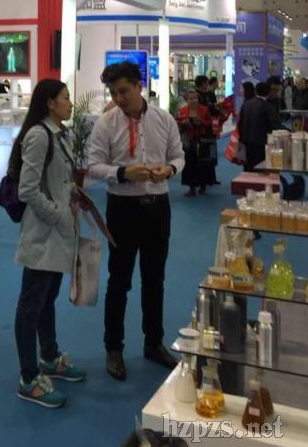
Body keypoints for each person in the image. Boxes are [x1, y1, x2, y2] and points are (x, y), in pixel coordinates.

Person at [88, 61, 184, 381]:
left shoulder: (164, 119)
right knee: (119, 281)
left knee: (154, 279)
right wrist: (122, 173)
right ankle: (113, 348)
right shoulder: (106, 123)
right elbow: (93, 165)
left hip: (158, 208)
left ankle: (153, 343)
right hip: (123, 209)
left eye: (124, 91)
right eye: (113, 93)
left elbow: (178, 155)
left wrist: (169, 169)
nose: (118, 99)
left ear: (139, 86)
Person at [12, 79, 85, 409]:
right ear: (50, 103)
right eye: (65, 98)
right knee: (31, 304)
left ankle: (50, 357)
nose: (70, 103)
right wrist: (57, 212)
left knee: (47, 299)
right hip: (43, 233)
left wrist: (72, 196)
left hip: (59, 232)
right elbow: (27, 189)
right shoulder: (39, 136)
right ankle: (29, 378)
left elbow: (59, 179)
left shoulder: (60, 134)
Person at [176, 90, 215, 197]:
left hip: (202, 140)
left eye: (195, 98)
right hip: (188, 141)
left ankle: (203, 185)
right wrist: (183, 123)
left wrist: (201, 121)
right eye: (191, 98)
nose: (193, 100)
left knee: (203, 164)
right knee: (189, 164)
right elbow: (178, 124)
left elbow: (210, 123)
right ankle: (191, 188)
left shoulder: (204, 109)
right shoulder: (183, 110)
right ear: (186, 100)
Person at [238, 81, 283, 171]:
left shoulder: (246, 104)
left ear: (256, 91)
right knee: (260, 169)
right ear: (268, 92)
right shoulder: (268, 107)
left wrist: (241, 139)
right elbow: (276, 125)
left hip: (246, 142)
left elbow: (240, 124)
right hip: (261, 143)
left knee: (248, 168)